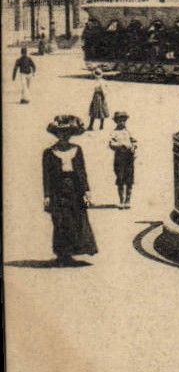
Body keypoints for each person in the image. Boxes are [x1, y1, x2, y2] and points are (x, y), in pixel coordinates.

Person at [42, 115, 98, 265]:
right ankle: (62, 254)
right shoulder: (49, 152)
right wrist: (47, 195)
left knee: (76, 220)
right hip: (57, 191)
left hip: (75, 189)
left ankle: (71, 253)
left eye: (67, 133)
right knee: (60, 220)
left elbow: (82, 172)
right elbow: (46, 176)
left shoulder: (77, 150)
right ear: (56, 134)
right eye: (61, 133)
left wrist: (87, 191)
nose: (64, 136)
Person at [108, 111, 137, 207]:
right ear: (116, 121)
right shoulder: (114, 132)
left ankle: (128, 200)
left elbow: (134, 142)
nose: (122, 123)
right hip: (119, 157)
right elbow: (111, 144)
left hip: (129, 157)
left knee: (129, 178)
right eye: (120, 121)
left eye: (124, 121)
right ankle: (121, 200)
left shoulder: (128, 131)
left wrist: (133, 147)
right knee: (120, 178)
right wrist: (119, 146)